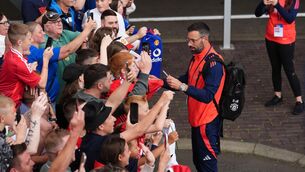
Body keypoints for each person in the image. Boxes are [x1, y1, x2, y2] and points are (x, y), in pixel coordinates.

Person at [165, 22, 225, 172]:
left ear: (204, 39)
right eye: (188, 40)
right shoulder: (196, 57)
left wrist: (181, 87)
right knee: (198, 162)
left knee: (207, 167)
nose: (189, 44)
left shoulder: (214, 64)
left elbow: (207, 96)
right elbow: (188, 78)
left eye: (193, 40)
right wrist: (161, 82)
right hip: (197, 121)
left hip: (207, 123)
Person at [255, 0, 303, 115]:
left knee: (289, 70)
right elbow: (257, 13)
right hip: (271, 38)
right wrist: (263, 3)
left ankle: (299, 101)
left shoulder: (294, 1)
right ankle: (278, 95)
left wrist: (276, 4)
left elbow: (290, 18)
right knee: (275, 68)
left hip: (286, 41)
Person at [0, 23, 53, 108]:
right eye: (29, 39)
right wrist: (46, 59)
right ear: (20, 42)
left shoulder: (12, 54)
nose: (31, 41)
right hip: (10, 107)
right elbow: (42, 84)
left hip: (9, 103)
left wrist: (30, 69)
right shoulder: (17, 62)